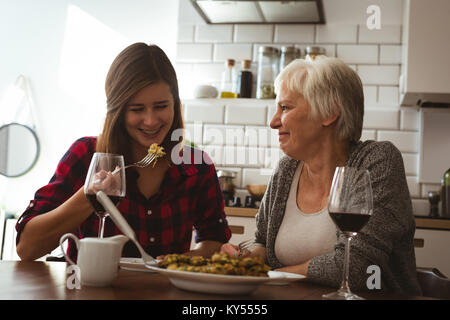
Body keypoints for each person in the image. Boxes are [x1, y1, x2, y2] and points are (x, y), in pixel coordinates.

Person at [221, 56, 422, 295]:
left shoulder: (377, 161)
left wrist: (273, 275)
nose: (273, 122)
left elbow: (358, 268)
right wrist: (248, 257)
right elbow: (262, 241)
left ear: (330, 112)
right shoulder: (286, 170)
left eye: (285, 108)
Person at [16, 42, 231, 262]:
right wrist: (88, 196)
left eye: (161, 106)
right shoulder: (85, 154)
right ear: (117, 111)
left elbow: (214, 240)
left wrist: (181, 261)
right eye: (137, 109)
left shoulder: (197, 165)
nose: (150, 121)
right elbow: (27, 248)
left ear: (175, 104)